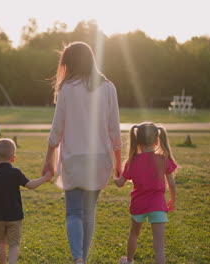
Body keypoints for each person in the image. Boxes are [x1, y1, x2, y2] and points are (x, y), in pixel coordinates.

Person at [42, 42, 123, 264]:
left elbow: (57, 128)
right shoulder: (109, 88)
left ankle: (78, 258)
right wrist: (118, 163)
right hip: (100, 158)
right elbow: (114, 129)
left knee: (74, 213)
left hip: (73, 159)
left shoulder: (67, 88)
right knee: (88, 213)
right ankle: (82, 259)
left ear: (69, 64)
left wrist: (48, 159)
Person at [0, 138, 52, 264]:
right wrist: (44, 178)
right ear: (13, 158)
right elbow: (30, 185)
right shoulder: (16, 173)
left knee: (1, 243)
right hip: (15, 216)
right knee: (14, 244)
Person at [113, 122, 177, 264]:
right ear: (156, 140)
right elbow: (172, 183)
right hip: (158, 205)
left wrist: (115, 175)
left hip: (139, 205)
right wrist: (173, 199)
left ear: (137, 141)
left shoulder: (132, 161)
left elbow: (119, 183)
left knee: (134, 233)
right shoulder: (163, 158)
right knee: (159, 246)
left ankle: (128, 261)